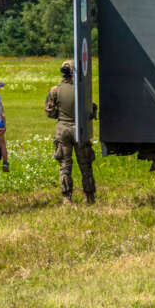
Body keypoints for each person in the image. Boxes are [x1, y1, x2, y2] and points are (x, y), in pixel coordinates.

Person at [45, 60, 96, 204]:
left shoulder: (55, 90)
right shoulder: (82, 89)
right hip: (79, 130)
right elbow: (90, 110)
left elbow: (49, 112)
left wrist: (60, 116)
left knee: (65, 166)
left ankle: (67, 198)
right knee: (85, 165)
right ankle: (90, 197)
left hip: (63, 130)